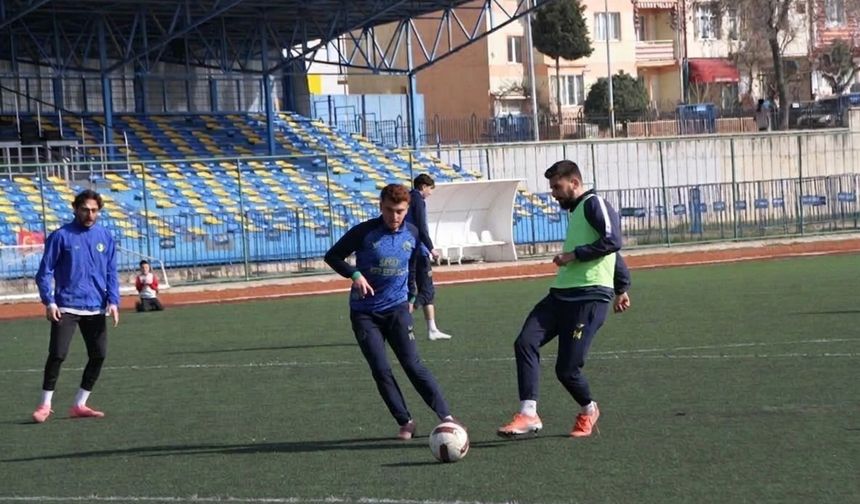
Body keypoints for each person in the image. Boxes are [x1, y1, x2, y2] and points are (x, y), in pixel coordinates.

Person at [497, 160, 631, 439]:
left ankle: (588, 410)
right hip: (560, 295)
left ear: (574, 182)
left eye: (557, 187)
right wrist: (622, 286)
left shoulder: (595, 203)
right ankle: (528, 413)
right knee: (525, 342)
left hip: (590, 297)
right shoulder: (578, 212)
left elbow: (613, 241)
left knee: (567, 370)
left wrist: (574, 256)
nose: (554, 193)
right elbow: (610, 253)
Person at [324, 183, 459, 440]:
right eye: (389, 210)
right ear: (380, 207)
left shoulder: (412, 232)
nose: (394, 217)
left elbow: (412, 266)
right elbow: (333, 256)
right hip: (365, 313)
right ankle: (405, 421)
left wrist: (410, 295)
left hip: (397, 309)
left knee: (412, 365)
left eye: (399, 211)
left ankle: (447, 417)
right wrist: (355, 275)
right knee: (380, 368)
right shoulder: (365, 232)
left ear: (407, 209)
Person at [32, 189, 120, 423]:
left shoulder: (106, 236)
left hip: (95, 307)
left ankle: (80, 403)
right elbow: (44, 272)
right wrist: (49, 301)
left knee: (99, 355)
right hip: (66, 306)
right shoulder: (61, 236)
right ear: (75, 209)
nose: (90, 214)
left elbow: (111, 271)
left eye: (94, 210)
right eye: (85, 209)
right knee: (58, 354)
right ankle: (45, 404)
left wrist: (113, 301)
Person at [405, 174, 453, 341]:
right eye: (431, 189)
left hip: (412, 249)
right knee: (427, 290)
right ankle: (405, 312)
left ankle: (432, 329)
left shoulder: (409, 198)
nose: (431, 193)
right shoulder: (417, 199)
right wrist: (431, 248)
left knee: (420, 289)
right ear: (424, 186)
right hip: (419, 250)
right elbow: (421, 227)